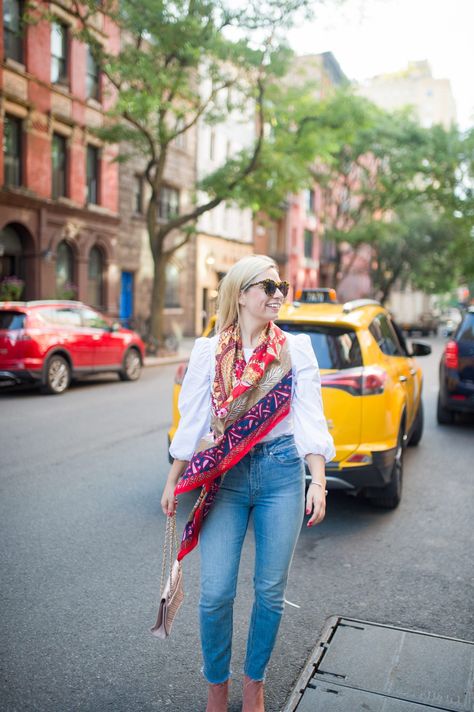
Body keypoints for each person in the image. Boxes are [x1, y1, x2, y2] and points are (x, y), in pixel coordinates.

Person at [161, 255, 335, 712]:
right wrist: (172, 480)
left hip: (281, 472)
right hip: (226, 478)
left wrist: (317, 480)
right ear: (241, 294)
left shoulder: (296, 350)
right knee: (216, 591)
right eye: (267, 286)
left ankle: (254, 683)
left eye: (282, 286)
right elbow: (192, 420)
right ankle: (217, 685)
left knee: (269, 592)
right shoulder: (208, 351)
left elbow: (310, 420)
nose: (278, 293)